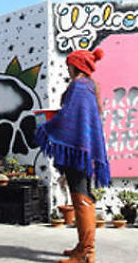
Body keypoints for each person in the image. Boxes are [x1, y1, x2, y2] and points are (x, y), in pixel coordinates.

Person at [35, 48, 110, 263]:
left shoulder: (78, 86)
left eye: (69, 65)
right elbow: (77, 118)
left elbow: (69, 117)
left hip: (76, 150)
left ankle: (86, 252)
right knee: (83, 194)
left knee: (80, 196)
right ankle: (83, 247)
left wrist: (46, 128)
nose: (67, 68)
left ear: (76, 66)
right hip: (83, 149)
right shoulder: (90, 86)